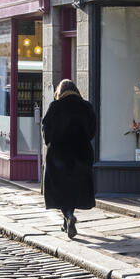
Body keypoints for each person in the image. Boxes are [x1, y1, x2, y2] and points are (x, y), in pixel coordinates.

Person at [42, 79, 96, 239]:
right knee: (74, 188)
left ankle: (68, 215)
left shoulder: (55, 106)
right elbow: (92, 131)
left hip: (58, 155)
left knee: (60, 189)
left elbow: (47, 132)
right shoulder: (86, 106)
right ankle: (68, 219)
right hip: (81, 154)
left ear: (59, 92)